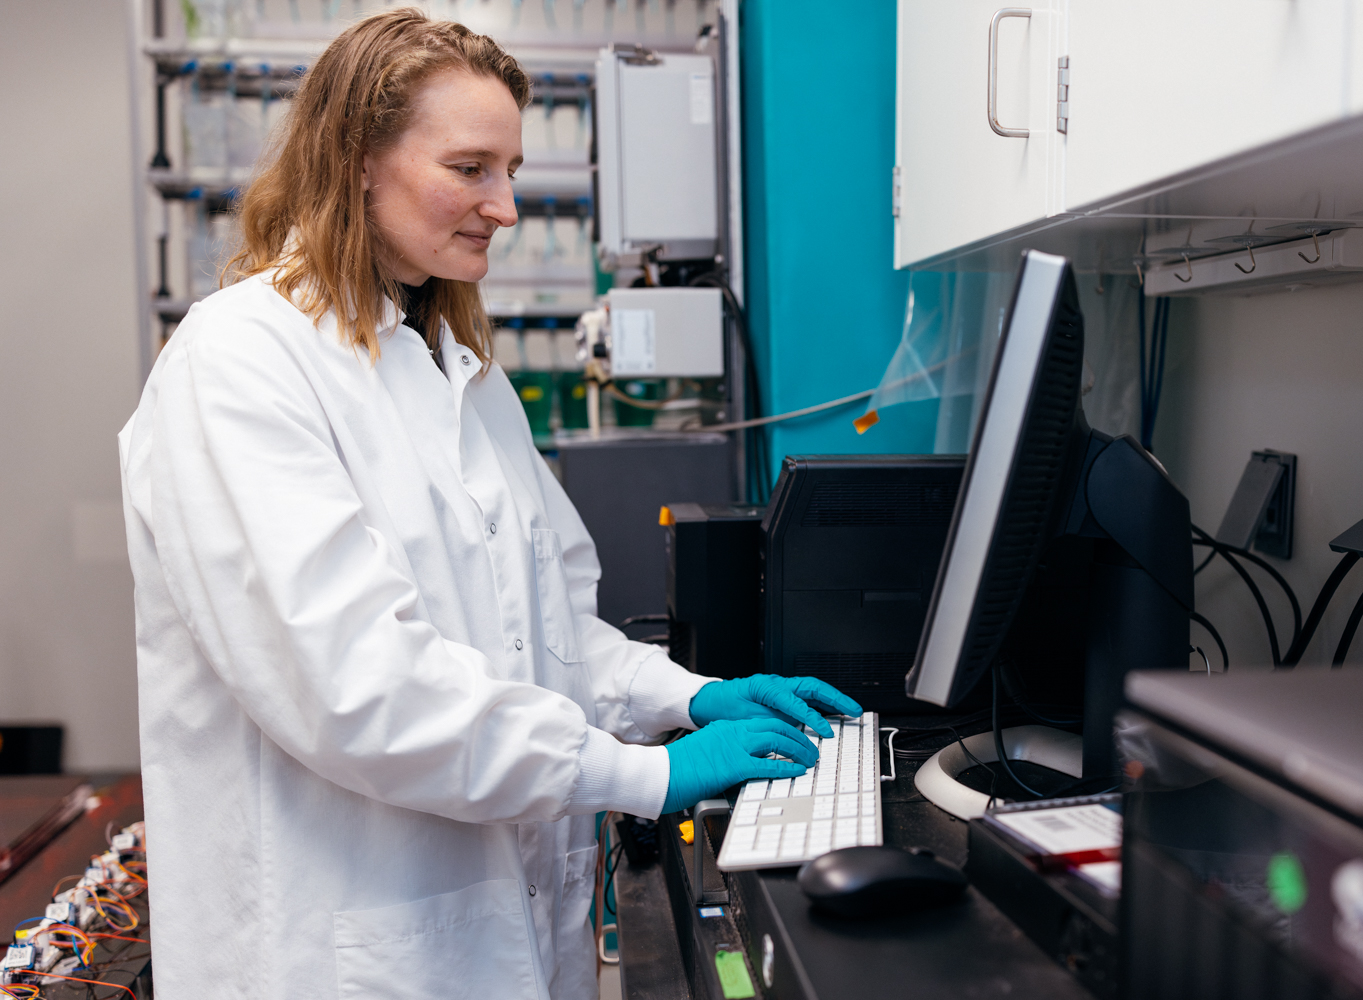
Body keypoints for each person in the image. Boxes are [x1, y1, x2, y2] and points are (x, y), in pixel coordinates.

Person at [118, 10, 860, 999]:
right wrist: (651, 776)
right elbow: (360, 689)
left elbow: (549, 630)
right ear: (358, 162)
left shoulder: (461, 372)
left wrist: (687, 695)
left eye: (509, 170)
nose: (504, 206)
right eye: (471, 168)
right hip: (336, 951)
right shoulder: (240, 362)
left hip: (495, 933)